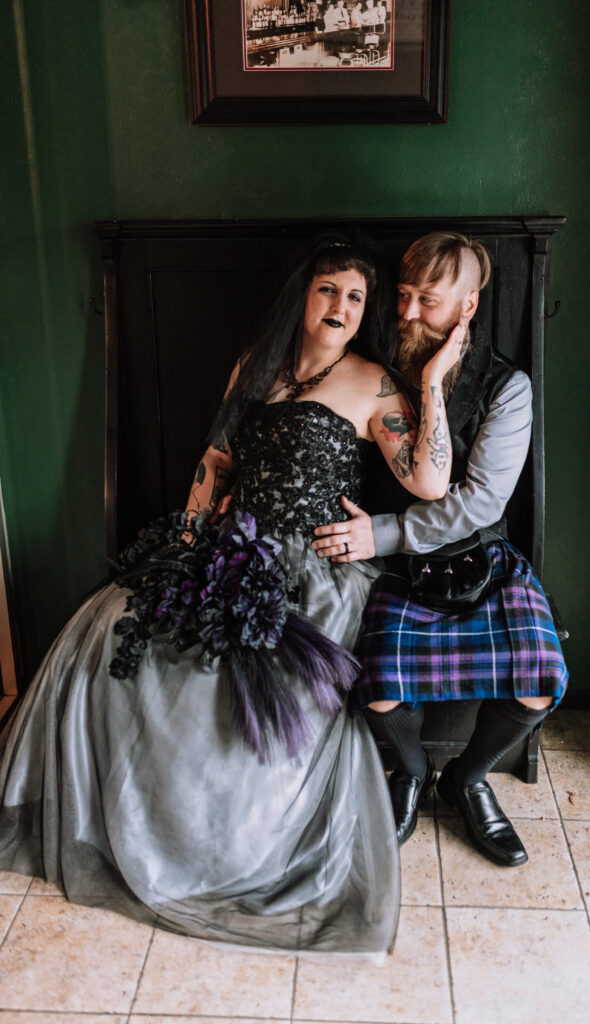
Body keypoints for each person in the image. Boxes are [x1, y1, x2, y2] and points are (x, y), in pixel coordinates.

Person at [0, 236, 461, 954]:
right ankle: (135, 822)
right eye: (327, 290)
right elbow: (214, 461)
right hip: (224, 549)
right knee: (111, 628)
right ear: (302, 297)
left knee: (238, 690)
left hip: (311, 571)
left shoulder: (373, 384)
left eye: (354, 296)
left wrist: (430, 382)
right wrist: (186, 539)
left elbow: (430, 484)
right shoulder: (256, 366)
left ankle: (222, 848)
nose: (339, 305)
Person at [312, 231, 568, 867]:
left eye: (428, 300)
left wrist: (387, 529)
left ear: (468, 306)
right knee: (374, 684)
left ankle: (468, 779)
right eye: (401, 295)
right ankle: (411, 770)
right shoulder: (371, 367)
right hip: (395, 570)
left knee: (541, 678)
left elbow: (482, 502)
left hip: (482, 560)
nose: (405, 313)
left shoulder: (508, 388)